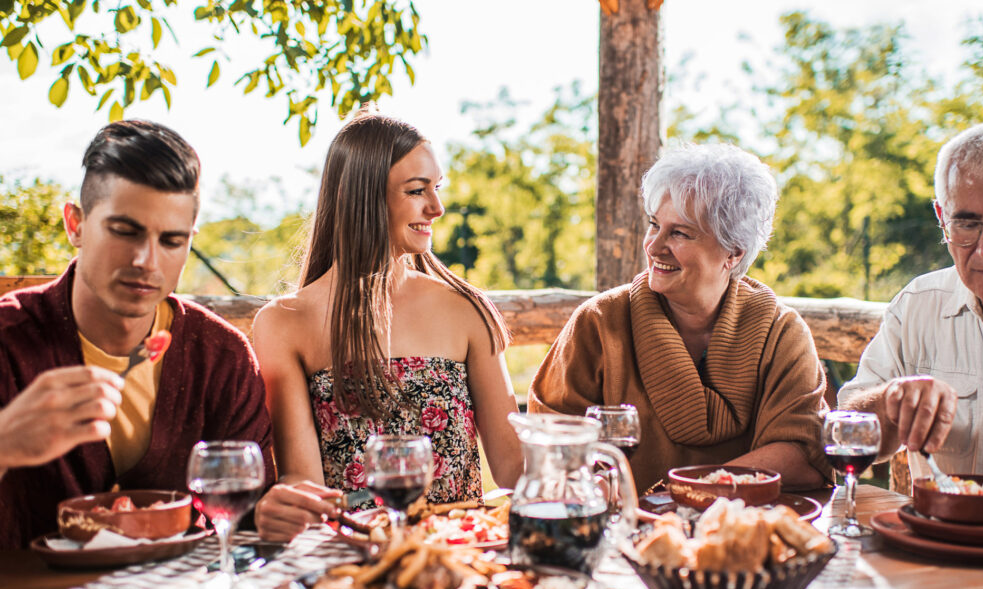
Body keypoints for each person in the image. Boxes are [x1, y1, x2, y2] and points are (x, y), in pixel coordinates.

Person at [0, 120, 274, 548]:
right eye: (125, 232)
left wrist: (275, 512)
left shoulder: (223, 358)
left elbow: (250, 521)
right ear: (75, 225)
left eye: (171, 241)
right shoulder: (8, 341)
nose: (147, 260)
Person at [253, 113, 522, 543]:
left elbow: (515, 472)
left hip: (458, 558)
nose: (436, 208)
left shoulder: (466, 309)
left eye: (437, 187)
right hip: (349, 559)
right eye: (416, 191)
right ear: (361, 197)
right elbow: (306, 488)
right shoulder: (283, 322)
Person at [837, 120, 983, 573]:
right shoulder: (918, 304)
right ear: (941, 219)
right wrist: (889, 401)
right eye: (966, 224)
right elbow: (845, 432)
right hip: (932, 567)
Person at [529, 143, 831, 492]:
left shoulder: (782, 332)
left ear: (733, 252)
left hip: (740, 523)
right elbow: (548, 445)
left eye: (679, 233)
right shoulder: (599, 322)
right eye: (654, 225)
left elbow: (805, 455)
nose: (654, 246)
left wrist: (678, 497)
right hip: (621, 523)